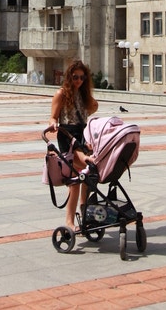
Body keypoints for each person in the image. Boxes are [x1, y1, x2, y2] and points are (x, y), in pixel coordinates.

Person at [48, 59, 98, 232]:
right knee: (81, 173)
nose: (79, 81)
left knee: (82, 179)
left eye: (82, 77)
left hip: (82, 133)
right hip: (67, 135)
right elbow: (53, 116)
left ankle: (84, 211)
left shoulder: (84, 95)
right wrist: (54, 123)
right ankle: (70, 221)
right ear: (69, 77)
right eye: (75, 77)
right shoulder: (61, 94)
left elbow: (92, 108)